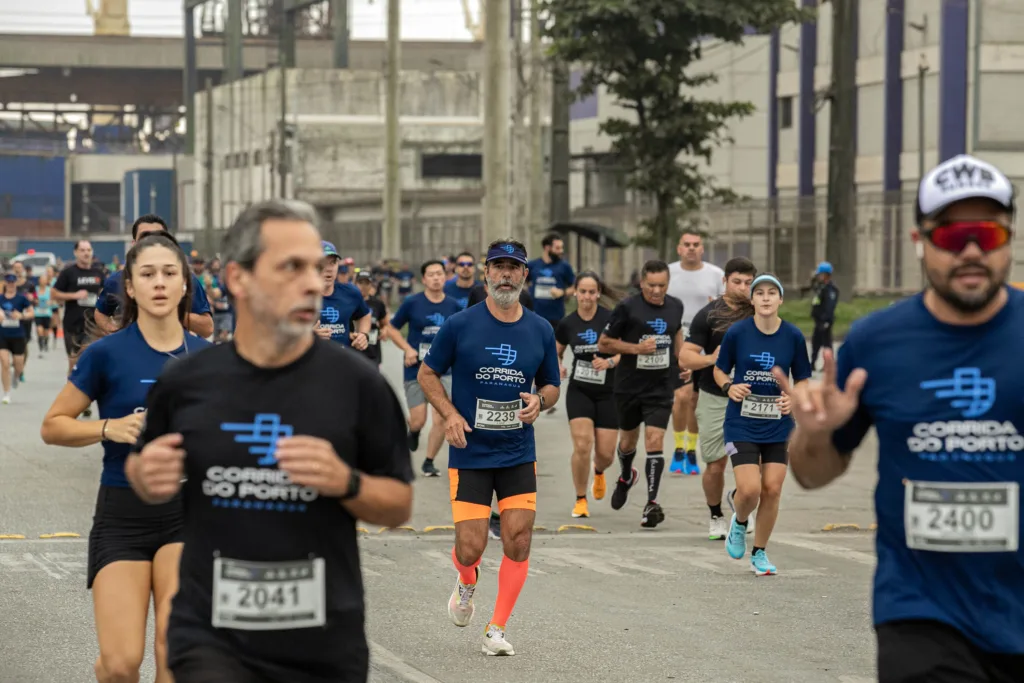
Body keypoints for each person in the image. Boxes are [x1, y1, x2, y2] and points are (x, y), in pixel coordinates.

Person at [126, 199, 414, 683]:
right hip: (210, 635)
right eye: (291, 266)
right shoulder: (187, 383)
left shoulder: (359, 384)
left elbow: (399, 503)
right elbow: (142, 468)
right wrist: (145, 475)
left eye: (318, 267)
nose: (311, 281)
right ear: (238, 279)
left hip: (323, 642)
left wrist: (345, 482)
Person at [783, 154, 1024, 681]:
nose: (970, 251)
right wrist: (815, 433)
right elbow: (812, 473)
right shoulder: (876, 342)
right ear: (920, 241)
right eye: (951, 235)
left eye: (986, 232)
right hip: (921, 613)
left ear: (1009, 238)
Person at [40, 233, 212, 683]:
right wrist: (106, 427)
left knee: (176, 659)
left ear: (184, 286)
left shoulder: (209, 360)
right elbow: (53, 425)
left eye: (169, 273)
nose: (159, 282)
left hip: (188, 516)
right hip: (122, 516)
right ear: (130, 287)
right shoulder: (105, 354)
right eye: (148, 274)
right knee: (120, 665)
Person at [419, 237, 560, 656]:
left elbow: (552, 384)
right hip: (471, 452)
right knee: (471, 547)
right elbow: (428, 374)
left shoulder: (540, 328)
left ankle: (495, 629)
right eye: (497, 267)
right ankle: (466, 581)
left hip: (518, 450)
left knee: (518, 538)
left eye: (513, 267)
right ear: (485, 274)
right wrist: (449, 415)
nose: (505, 274)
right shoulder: (461, 324)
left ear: (524, 276)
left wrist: (541, 400)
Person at [713, 273, 810, 575]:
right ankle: (740, 522)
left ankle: (760, 553)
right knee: (750, 489)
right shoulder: (738, 333)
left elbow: (804, 380)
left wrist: (793, 399)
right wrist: (730, 386)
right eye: (760, 293)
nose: (766, 298)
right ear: (752, 300)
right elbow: (719, 371)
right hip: (741, 421)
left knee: (772, 488)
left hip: (779, 424)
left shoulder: (793, 336)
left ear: (780, 299)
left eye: (772, 293)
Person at [598, 260, 687, 528]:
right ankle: (626, 475)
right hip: (629, 386)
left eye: (662, 285)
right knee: (627, 443)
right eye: (651, 286)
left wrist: (682, 361)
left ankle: (652, 503)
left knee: (655, 439)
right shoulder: (628, 307)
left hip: (660, 386)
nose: (657, 291)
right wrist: (637, 349)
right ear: (641, 283)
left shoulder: (675, 306)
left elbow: (677, 334)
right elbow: (604, 343)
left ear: (668, 284)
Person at [679, 256, 757, 540]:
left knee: (753, 461)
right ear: (725, 281)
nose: (743, 288)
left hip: (753, 397)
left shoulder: (759, 312)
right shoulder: (709, 314)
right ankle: (715, 514)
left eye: (749, 283)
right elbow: (685, 355)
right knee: (716, 463)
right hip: (714, 396)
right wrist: (712, 358)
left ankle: (740, 502)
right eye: (737, 282)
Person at [555, 271, 620, 519]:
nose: (587, 297)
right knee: (582, 445)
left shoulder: (611, 319)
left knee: (605, 454)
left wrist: (611, 362)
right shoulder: (568, 323)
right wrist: (558, 365)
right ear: (575, 293)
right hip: (580, 390)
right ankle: (581, 499)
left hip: (609, 392)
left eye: (592, 292)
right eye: (583, 291)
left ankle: (599, 471)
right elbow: (556, 350)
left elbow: (627, 349)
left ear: (598, 293)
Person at [389, 259, 462, 477]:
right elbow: (392, 329)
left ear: (445, 276)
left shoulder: (454, 305)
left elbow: (462, 335)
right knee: (419, 419)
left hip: (444, 371)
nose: (436, 278)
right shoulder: (412, 303)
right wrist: (407, 349)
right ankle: (414, 431)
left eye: (440, 274)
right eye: (431, 274)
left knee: (441, 418)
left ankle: (428, 461)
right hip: (416, 368)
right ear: (424, 279)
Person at [94, 215, 214, 339]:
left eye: (157, 238)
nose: (150, 243)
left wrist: (171, 312)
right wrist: (115, 334)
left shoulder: (187, 280)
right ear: (134, 244)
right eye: (144, 237)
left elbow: (207, 328)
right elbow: (100, 312)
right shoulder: (117, 280)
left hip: (176, 355)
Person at [667, 231, 725, 476]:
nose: (691, 248)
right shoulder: (669, 273)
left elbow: (725, 308)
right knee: (680, 398)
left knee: (693, 399)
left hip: (704, 344)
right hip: (676, 343)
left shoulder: (715, 274)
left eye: (696, 245)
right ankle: (678, 447)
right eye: (686, 245)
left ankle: (691, 450)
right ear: (679, 248)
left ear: (703, 248)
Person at [52, 240, 106, 375]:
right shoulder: (68, 273)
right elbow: (54, 294)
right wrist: (74, 295)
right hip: (73, 324)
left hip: (93, 325)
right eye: (82, 250)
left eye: (88, 250)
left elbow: (106, 293)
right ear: (76, 253)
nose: (86, 253)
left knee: (88, 359)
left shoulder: (98, 273)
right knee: (74, 362)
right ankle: (72, 391)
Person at [316, 241, 372, 349]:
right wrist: (308, 337)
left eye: (333, 263)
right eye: (323, 263)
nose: (329, 268)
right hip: (311, 363)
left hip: (342, 361)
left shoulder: (351, 293)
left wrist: (363, 334)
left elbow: (365, 315)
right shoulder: (300, 296)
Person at [527, 233, 576, 329]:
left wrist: (562, 292)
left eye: (562, 248)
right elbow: (522, 281)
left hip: (556, 317)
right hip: (535, 316)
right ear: (547, 248)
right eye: (557, 248)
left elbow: (576, 287)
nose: (561, 251)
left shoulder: (564, 266)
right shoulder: (533, 265)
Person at [0, 272, 33, 404]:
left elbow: (31, 313)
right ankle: (6, 393)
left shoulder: (22, 298)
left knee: (18, 364)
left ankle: (17, 376)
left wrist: (21, 315)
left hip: (18, 335)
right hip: (2, 334)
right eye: (9, 282)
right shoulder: (0, 298)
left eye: (13, 282)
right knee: (5, 363)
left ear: (16, 284)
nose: (11, 285)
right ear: (5, 284)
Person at [353, 271, 390, 368]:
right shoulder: (349, 303)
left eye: (367, 283)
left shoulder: (377, 304)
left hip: (372, 353)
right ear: (355, 284)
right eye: (361, 283)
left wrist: (385, 330)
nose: (364, 286)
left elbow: (385, 323)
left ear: (371, 285)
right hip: (353, 351)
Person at [809, 261, 839, 371]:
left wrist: (826, 320)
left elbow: (829, 307)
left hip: (825, 321)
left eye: (820, 274)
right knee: (815, 342)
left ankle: (828, 365)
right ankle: (812, 363)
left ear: (826, 275)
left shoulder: (831, 290)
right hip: (818, 320)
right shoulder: (821, 287)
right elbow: (812, 287)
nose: (818, 276)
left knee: (827, 344)